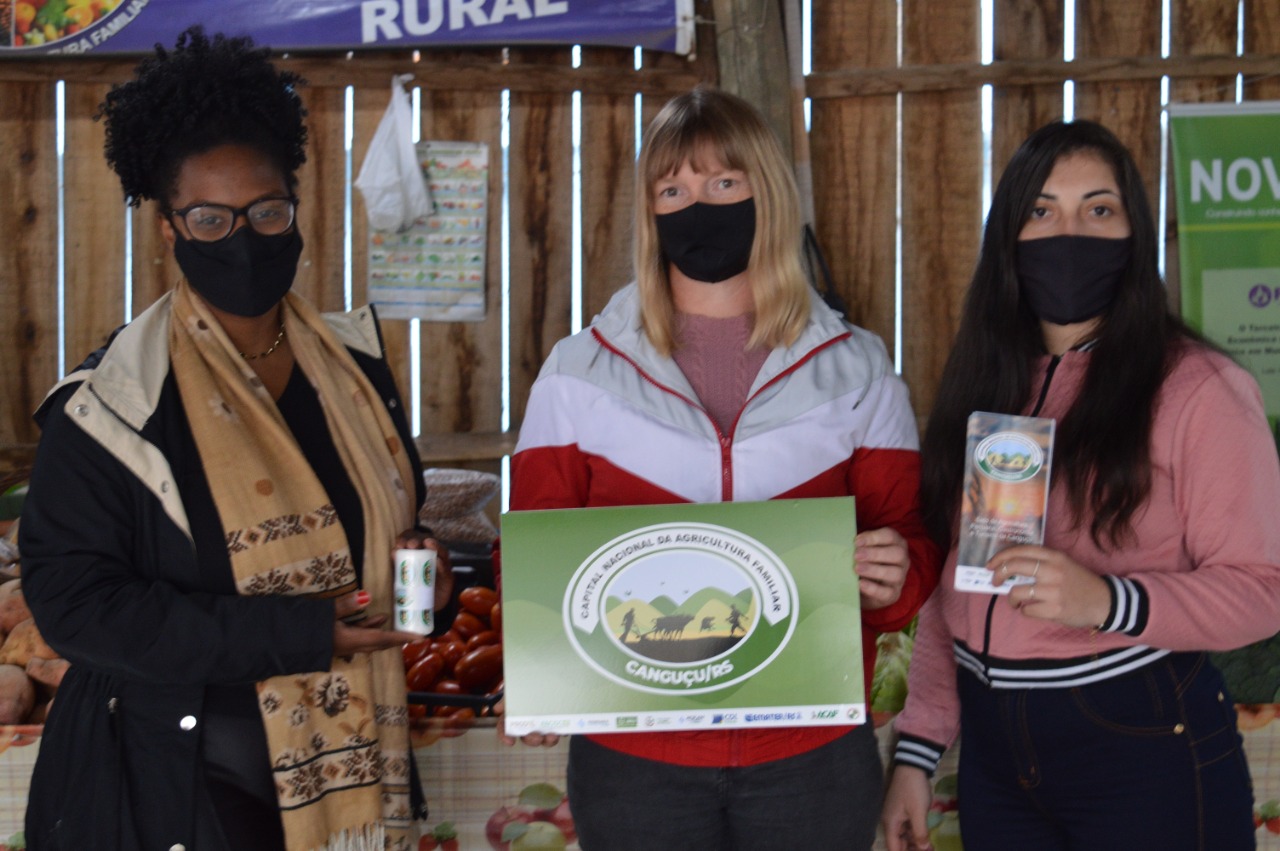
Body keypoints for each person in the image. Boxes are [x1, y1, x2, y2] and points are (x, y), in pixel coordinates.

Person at [17, 27, 452, 851]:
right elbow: (75, 604)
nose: (243, 237)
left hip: (351, 762)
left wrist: (423, 572)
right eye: (210, 218)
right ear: (167, 228)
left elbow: (397, 520)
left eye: (266, 211)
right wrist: (301, 633)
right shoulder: (113, 403)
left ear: (295, 209)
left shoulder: (354, 369)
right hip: (174, 789)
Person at [508, 87, 941, 850]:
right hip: (635, 762)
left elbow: (909, 541)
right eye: (672, 190)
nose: (697, 206)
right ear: (649, 212)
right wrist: (539, 665)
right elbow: (536, 553)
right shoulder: (577, 373)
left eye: (723, 183)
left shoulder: (858, 369)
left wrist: (896, 572)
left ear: (767, 193)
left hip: (812, 751)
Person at [880, 119, 1280, 851]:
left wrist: (1108, 601)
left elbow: (1264, 589)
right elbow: (954, 588)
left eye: (1099, 209)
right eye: (1042, 211)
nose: (1069, 232)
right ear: (1009, 236)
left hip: (1140, 742)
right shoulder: (988, 383)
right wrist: (919, 749)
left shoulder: (1199, 387)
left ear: (1134, 235)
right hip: (996, 758)